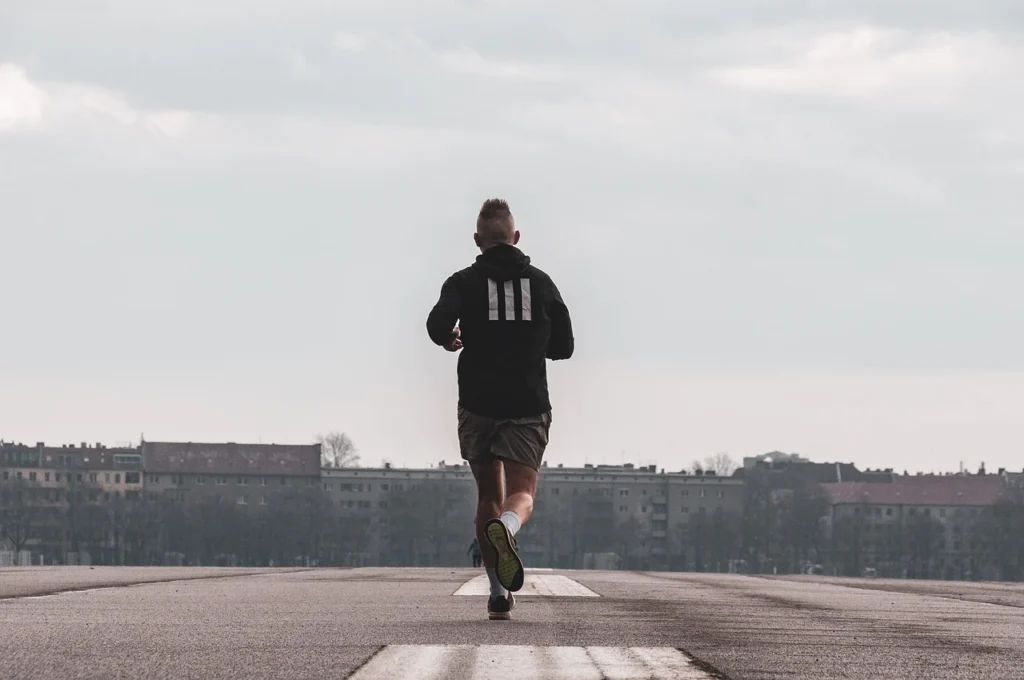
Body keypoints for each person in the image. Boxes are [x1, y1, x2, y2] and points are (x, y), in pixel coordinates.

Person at [427, 198, 574, 621]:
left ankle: (496, 594)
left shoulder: (462, 281)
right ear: (515, 237)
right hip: (526, 403)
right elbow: (564, 347)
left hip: (476, 402)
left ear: (478, 241)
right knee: (521, 494)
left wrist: (450, 337)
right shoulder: (542, 283)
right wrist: (531, 342)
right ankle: (509, 529)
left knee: (488, 495)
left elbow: (437, 324)